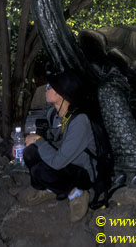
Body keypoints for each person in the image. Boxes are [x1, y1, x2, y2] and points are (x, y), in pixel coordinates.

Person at [22, 69, 96, 223]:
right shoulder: (53, 114)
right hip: (64, 162)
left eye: (50, 86)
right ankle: (51, 188)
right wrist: (31, 141)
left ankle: (77, 194)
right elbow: (48, 142)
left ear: (62, 94)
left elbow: (57, 162)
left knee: (40, 170)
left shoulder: (79, 121)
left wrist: (37, 140)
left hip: (82, 171)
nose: (46, 88)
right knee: (29, 153)